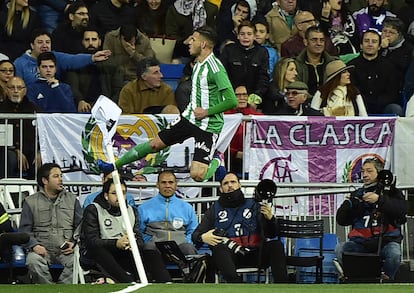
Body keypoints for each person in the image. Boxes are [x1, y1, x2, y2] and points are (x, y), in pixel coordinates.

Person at [98, 26, 238, 183]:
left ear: (203, 44)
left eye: (193, 39)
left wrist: (206, 111)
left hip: (208, 125)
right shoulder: (198, 63)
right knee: (155, 144)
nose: (189, 42)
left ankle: (217, 160)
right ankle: (113, 166)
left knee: (197, 175)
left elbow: (232, 100)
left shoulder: (215, 68)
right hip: (189, 118)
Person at [191, 172, 288, 283]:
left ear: (239, 185)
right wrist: (203, 237)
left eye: (233, 182)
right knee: (218, 249)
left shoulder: (255, 204)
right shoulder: (214, 209)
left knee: (276, 245)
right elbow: (195, 235)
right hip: (231, 257)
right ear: (221, 189)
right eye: (226, 183)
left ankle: (283, 286)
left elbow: (272, 234)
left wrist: (270, 219)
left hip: (256, 254)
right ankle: (238, 286)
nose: (230, 185)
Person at [335, 158, 408, 281]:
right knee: (341, 248)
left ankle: (386, 279)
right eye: (363, 171)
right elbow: (342, 221)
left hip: (386, 241)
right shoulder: (357, 193)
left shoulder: (391, 192)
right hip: (360, 242)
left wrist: (379, 200)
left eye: (369, 171)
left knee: (394, 253)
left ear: (379, 173)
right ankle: (353, 276)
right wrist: (348, 204)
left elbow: (402, 210)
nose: (365, 175)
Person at [19, 163, 83, 284]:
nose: (60, 179)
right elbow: (24, 230)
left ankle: (62, 290)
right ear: (45, 180)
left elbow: (80, 226)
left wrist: (74, 243)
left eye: (61, 176)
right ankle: (47, 289)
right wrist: (34, 245)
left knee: (79, 260)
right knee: (33, 261)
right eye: (56, 176)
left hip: (66, 251)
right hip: (41, 250)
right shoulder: (30, 202)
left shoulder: (72, 199)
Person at [80, 177, 147, 283]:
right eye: (115, 193)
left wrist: (132, 243)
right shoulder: (93, 209)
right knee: (98, 250)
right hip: (94, 255)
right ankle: (127, 281)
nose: (120, 196)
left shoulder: (132, 211)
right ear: (106, 195)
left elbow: (140, 239)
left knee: (148, 250)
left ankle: (157, 283)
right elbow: (91, 241)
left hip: (123, 252)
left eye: (123, 193)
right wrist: (116, 243)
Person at [138, 170, 199, 282]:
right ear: (157, 185)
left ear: (176, 185)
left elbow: (193, 230)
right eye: (163, 182)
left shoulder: (187, 207)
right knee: (148, 247)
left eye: (171, 182)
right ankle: (161, 282)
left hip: (180, 246)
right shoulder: (144, 208)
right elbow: (139, 232)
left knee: (189, 248)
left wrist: (187, 240)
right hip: (155, 246)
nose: (167, 186)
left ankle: (193, 283)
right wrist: (150, 240)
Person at [13, 29, 111, 86]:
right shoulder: (20, 63)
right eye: (40, 42)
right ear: (32, 45)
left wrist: (92, 57)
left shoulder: (56, 56)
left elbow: (73, 59)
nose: (44, 46)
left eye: (47, 42)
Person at [65, 27, 124, 112]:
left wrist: (109, 105)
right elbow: (73, 87)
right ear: (82, 42)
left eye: (94, 39)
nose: (91, 43)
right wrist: (80, 100)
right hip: (83, 107)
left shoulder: (112, 64)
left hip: (107, 107)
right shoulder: (75, 63)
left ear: (99, 42)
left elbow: (118, 89)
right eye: (87, 40)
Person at [349, 29, 403, 115]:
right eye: (366, 41)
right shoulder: (351, 66)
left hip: (382, 107)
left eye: (374, 41)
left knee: (395, 109)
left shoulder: (389, 66)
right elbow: (350, 91)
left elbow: (392, 93)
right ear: (361, 45)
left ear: (379, 46)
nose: (370, 44)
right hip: (358, 107)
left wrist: (377, 103)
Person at [220, 20, 270, 109]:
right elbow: (222, 75)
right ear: (238, 36)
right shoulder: (229, 50)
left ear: (254, 36)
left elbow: (263, 77)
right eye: (242, 34)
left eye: (249, 34)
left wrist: (256, 96)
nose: (245, 37)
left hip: (253, 96)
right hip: (231, 95)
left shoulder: (262, 52)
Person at [0, 76, 42, 179]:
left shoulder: (35, 110)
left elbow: (44, 134)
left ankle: (37, 193)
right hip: (7, 151)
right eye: (12, 88)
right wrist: (15, 150)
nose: (15, 91)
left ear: (25, 90)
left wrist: (41, 152)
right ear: (6, 90)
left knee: (42, 160)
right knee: (9, 157)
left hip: (32, 152)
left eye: (19, 88)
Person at [224, 85, 263, 177]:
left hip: (253, 160)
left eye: (244, 95)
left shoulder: (258, 116)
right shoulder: (225, 115)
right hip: (230, 160)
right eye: (238, 95)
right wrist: (235, 153)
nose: (242, 98)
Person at [295, 25, 338, 95]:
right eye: (314, 40)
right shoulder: (296, 64)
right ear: (305, 42)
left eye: (322, 40)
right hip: (305, 102)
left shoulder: (333, 63)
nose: (319, 43)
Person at [380, 16, 414, 92]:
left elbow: (396, 68)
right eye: (384, 31)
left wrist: (383, 49)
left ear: (400, 35)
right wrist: (380, 49)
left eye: (391, 32)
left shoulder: (408, 49)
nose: (387, 35)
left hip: (398, 89)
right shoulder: (378, 46)